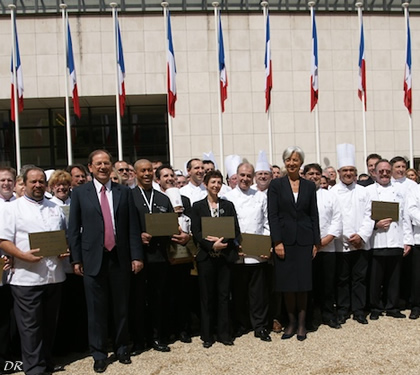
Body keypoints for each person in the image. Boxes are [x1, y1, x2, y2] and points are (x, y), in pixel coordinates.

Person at [68, 150, 143, 373]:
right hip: (93, 258)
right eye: (98, 163)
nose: (103, 166)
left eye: (106, 163)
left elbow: (132, 227)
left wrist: (136, 255)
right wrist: (76, 258)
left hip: (119, 258)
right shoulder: (80, 193)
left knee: (121, 307)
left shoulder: (123, 192)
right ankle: (99, 353)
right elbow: (74, 229)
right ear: (90, 167)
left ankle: (122, 348)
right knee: (96, 309)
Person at [0, 167, 67, 375]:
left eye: (41, 182)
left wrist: (63, 250)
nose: (38, 185)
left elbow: (61, 236)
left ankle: (46, 363)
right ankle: (35, 369)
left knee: (48, 326)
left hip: (54, 276)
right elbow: (3, 240)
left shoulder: (54, 207)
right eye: (33, 182)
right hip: (26, 278)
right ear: (25, 183)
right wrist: (22, 256)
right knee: (30, 329)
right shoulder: (12, 208)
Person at [268, 146, 320, 341]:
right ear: (284, 162)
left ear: (301, 163)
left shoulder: (309, 186)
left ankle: (301, 324)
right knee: (288, 285)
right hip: (285, 241)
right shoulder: (276, 185)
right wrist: (277, 241)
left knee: (303, 284)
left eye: (295, 160)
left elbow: (314, 214)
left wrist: (316, 241)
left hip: (305, 241)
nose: (292, 163)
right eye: (288, 160)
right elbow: (272, 215)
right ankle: (290, 322)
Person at [191, 170, 241, 348]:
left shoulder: (227, 206)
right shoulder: (197, 206)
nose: (216, 185)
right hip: (206, 257)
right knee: (207, 296)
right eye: (212, 182)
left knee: (223, 295)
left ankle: (224, 333)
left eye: (219, 182)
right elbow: (196, 232)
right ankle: (207, 335)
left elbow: (234, 228)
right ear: (206, 184)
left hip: (224, 257)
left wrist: (222, 242)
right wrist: (211, 245)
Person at [131, 159, 176, 353]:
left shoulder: (163, 198)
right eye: (143, 171)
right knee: (138, 300)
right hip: (138, 257)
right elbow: (123, 227)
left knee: (158, 298)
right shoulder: (128, 196)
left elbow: (171, 226)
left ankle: (158, 337)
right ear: (136, 173)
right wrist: (138, 235)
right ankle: (138, 340)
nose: (147, 174)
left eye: (150, 170)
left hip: (159, 256)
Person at [223, 162, 271, 342]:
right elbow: (226, 225)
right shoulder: (228, 198)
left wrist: (265, 245)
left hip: (257, 252)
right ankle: (241, 324)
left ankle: (260, 326)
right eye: (242, 175)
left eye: (248, 176)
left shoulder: (260, 197)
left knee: (258, 293)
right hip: (237, 252)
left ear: (253, 178)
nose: (245, 179)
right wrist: (234, 245)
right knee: (238, 292)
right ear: (236, 176)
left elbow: (267, 224)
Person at [331, 144, 374, 325]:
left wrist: (361, 236)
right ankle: (342, 310)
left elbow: (370, 215)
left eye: (351, 170)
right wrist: (349, 236)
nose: (348, 173)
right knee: (342, 279)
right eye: (345, 170)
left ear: (355, 173)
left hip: (361, 243)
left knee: (359, 278)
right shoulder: (332, 192)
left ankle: (358, 310)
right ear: (339, 172)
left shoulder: (364, 191)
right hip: (342, 243)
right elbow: (334, 218)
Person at [366, 159, 411, 320]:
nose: (384, 173)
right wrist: (375, 224)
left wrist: (408, 241)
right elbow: (364, 216)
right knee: (375, 278)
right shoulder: (368, 191)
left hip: (396, 239)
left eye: (387, 171)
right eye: (381, 171)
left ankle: (392, 306)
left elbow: (405, 216)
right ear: (375, 173)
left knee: (394, 277)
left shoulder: (400, 190)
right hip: (376, 240)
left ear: (390, 172)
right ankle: (375, 307)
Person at [304, 163, 342, 329]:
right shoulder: (301, 195)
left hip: (327, 248)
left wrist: (322, 242)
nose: (313, 176)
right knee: (309, 285)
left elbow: (337, 221)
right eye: (310, 173)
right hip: (306, 249)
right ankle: (312, 317)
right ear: (304, 176)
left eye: (317, 174)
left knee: (328, 284)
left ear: (322, 176)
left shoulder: (330, 196)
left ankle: (328, 315)